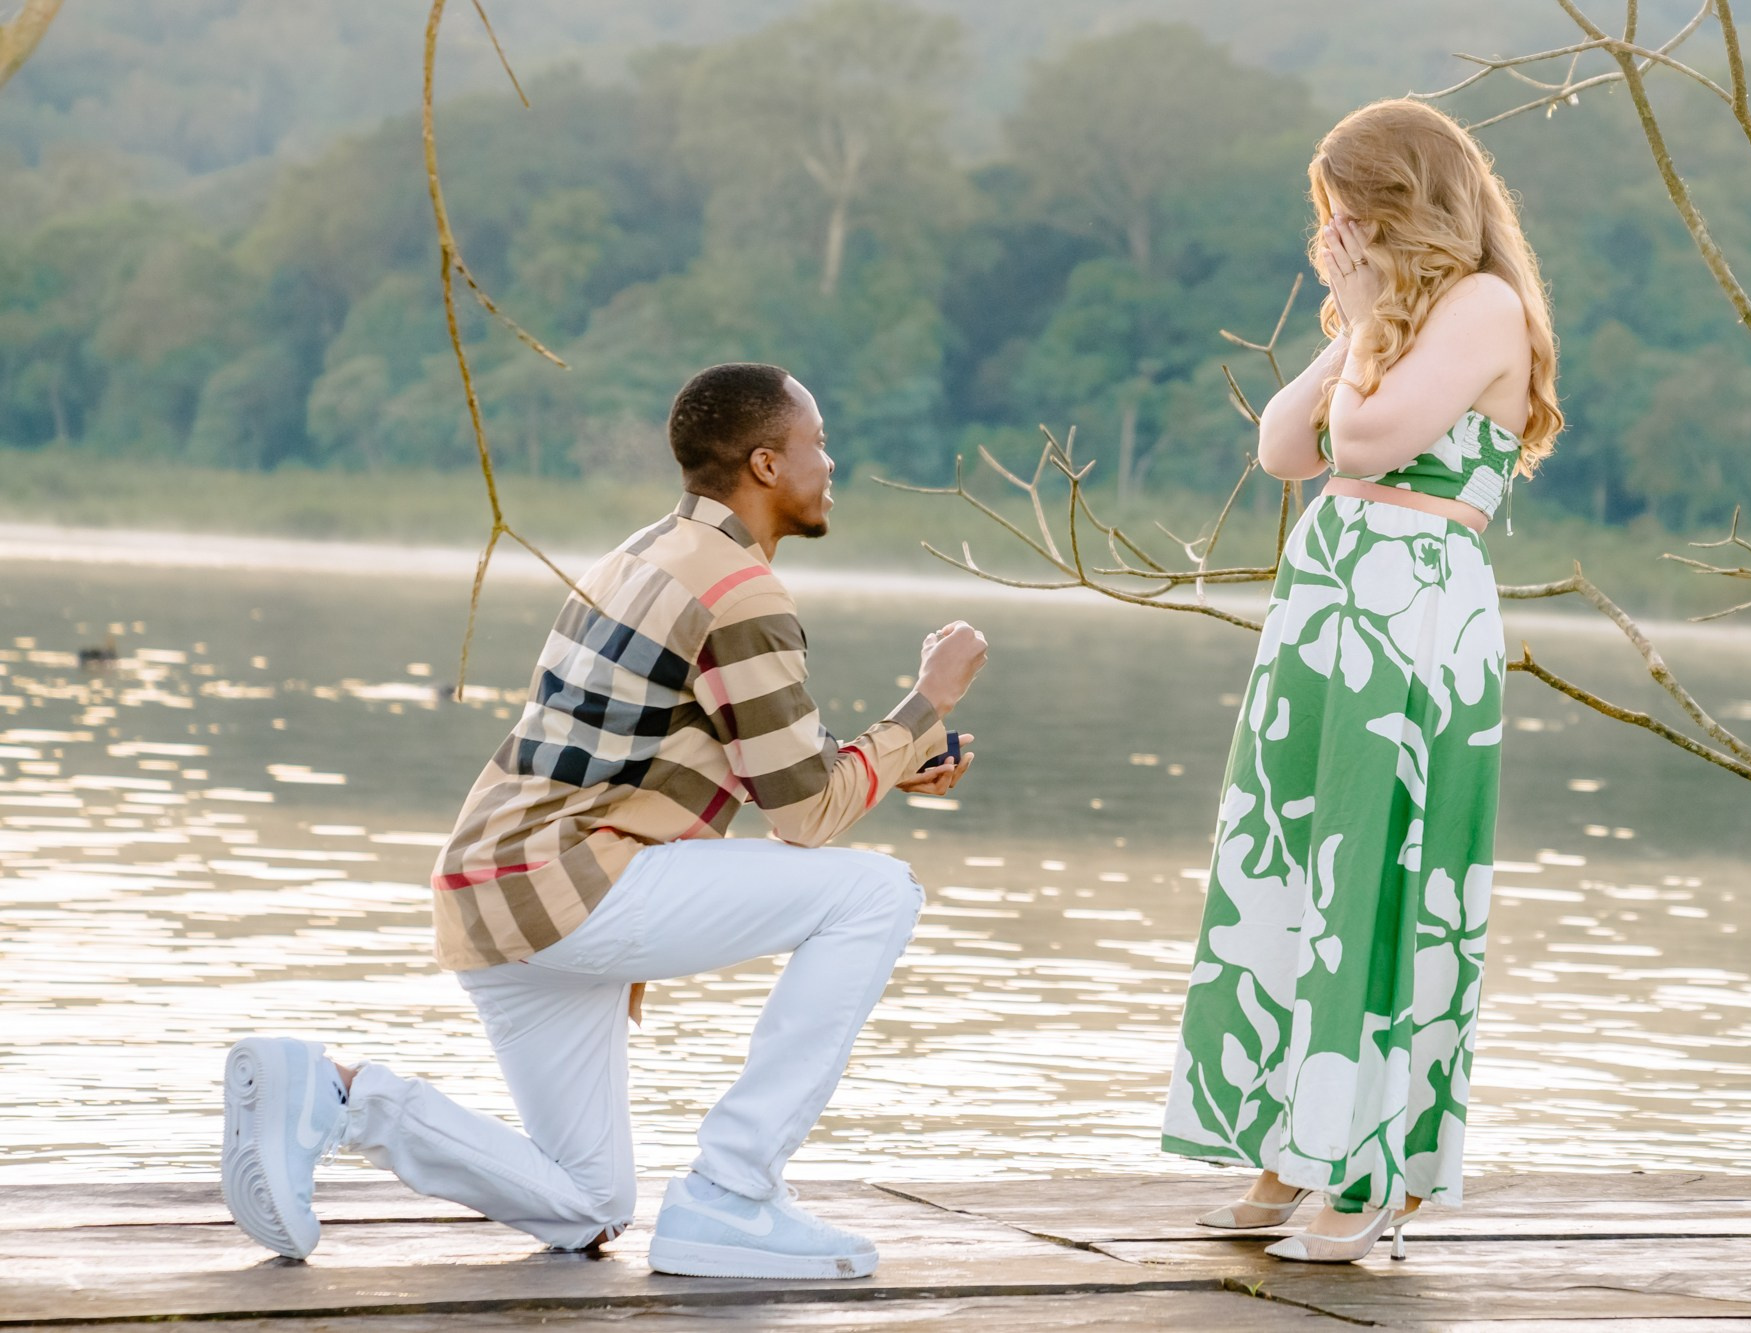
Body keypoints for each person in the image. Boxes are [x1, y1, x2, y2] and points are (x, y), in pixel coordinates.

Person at [220, 363, 987, 1281]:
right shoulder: (742, 590)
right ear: (766, 463)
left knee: (587, 1204)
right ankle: (733, 1191)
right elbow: (807, 817)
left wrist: (896, 756)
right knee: (876, 891)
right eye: (818, 442)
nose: (834, 460)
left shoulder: (642, 553)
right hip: (574, 888)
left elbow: (758, 751)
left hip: (493, 892)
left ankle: (338, 1099)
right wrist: (925, 700)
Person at [1161, 99, 1561, 1263]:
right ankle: (1294, 1145)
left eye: (1346, 215)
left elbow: (1365, 446)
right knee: (1290, 863)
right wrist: (1355, 320)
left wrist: (1371, 313)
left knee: (1377, 866)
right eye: (1325, 220)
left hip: (1409, 606)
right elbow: (1284, 446)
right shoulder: (1392, 313)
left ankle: (1369, 1167)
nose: (1333, 236)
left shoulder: (1481, 306)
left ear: (1401, 205)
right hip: (1328, 605)